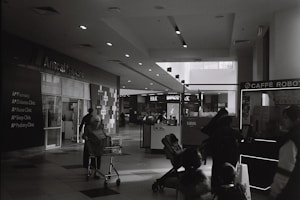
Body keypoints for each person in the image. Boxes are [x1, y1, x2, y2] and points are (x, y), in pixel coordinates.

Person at [269, 105, 300, 200]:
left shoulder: (291, 139)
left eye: (286, 117)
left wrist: (274, 192)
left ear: (294, 119)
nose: (283, 120)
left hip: (290, 190)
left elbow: (284, 171)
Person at [208, 108, 240, 192]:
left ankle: (216, 189)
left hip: (218, 157)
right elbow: (241, 139)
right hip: (231, 157)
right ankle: (229, 189)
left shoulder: (217, 132)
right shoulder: (233, 132)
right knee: (229, 173)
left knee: (217, 172)